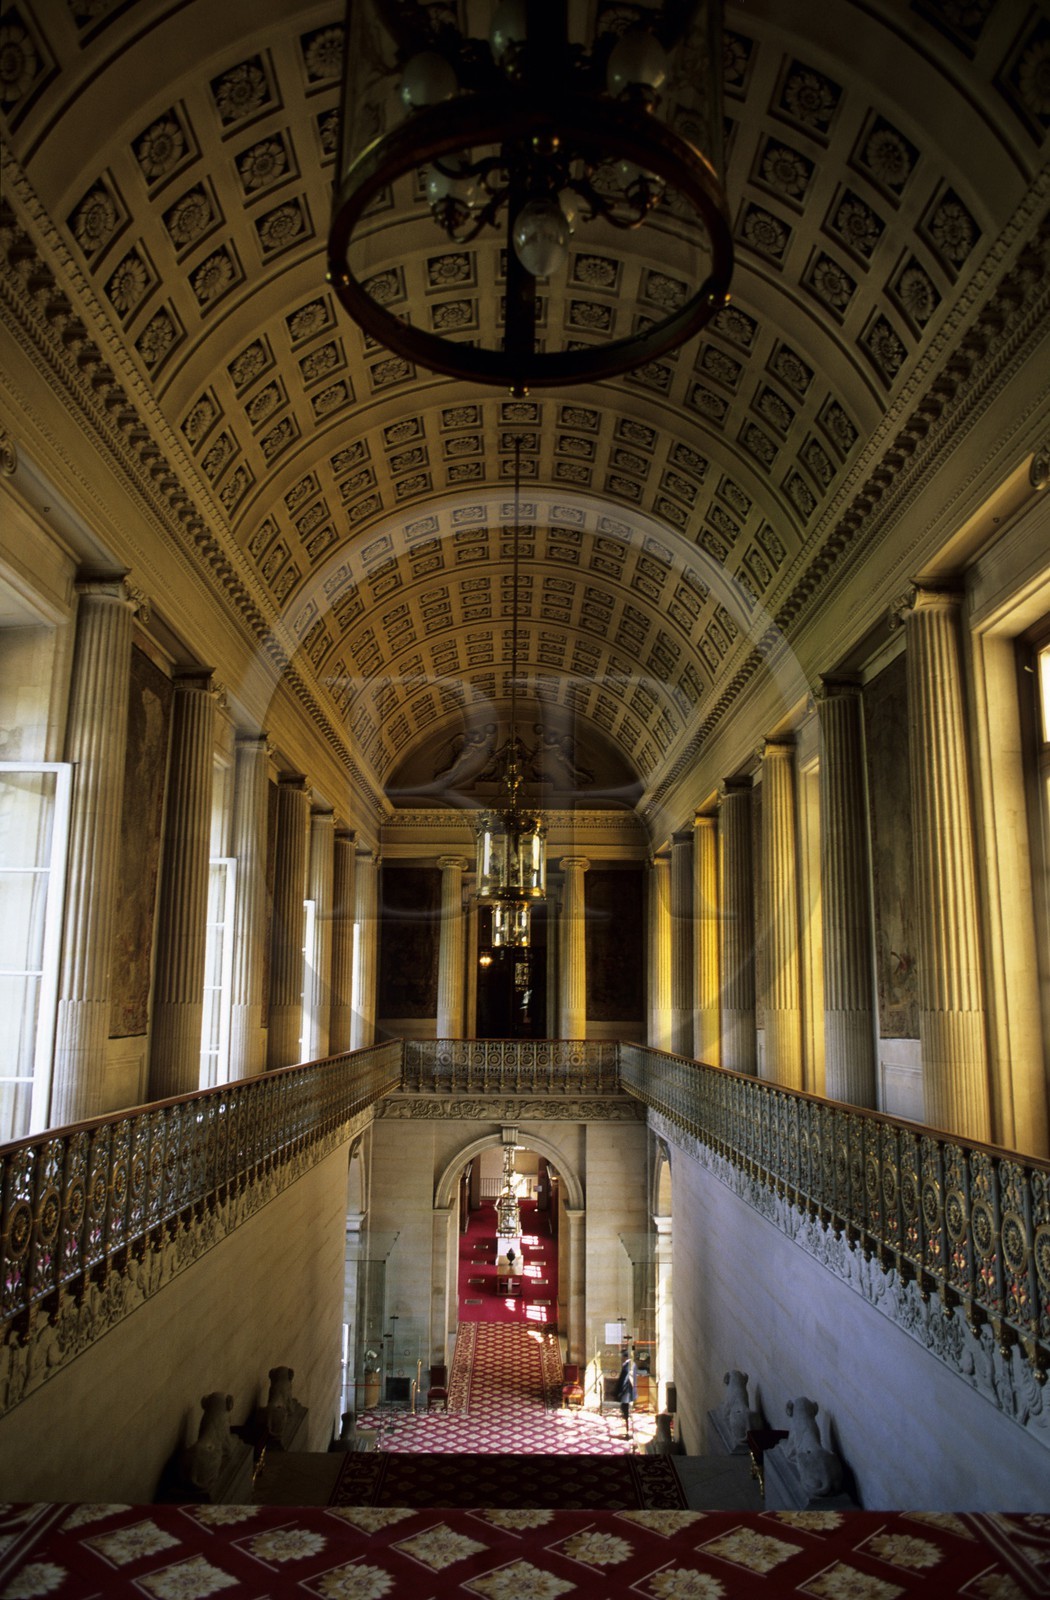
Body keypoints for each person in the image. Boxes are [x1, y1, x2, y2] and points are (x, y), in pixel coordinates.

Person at [614, 1347, 636, 1439]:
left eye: (622, 1357)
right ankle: (627, 1431)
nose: (621, 1358)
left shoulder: (626, 1367)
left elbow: (624, 1381)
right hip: (625, 1393)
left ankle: (628, 1432)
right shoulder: (625, 1366)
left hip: (625, 1393)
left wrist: (620, 1392)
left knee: (626, 1413)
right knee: (624, 1411)